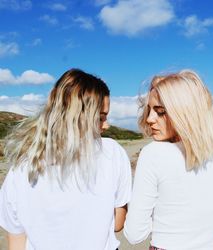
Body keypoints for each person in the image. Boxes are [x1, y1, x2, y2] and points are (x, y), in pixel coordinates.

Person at [0, 69, 132, 250]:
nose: (106, 125)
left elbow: (16, 242)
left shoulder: (23, 166)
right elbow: (118, 223)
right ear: (78, 117)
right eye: (100, 117)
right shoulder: (112, 152)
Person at [124, 70, 213, 250]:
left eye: (160, 112)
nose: (150, 118)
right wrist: (211, 211)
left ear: (185, 113)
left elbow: (135, 235)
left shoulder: (153, 154)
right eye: (149, 110)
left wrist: (166, 214)